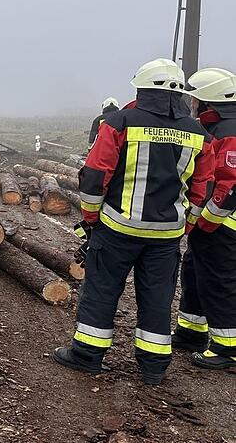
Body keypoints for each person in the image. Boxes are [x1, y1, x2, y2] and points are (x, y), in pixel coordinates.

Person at [53, 58, 214, 385]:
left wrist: (91, 218)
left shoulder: (120, 121)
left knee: (101, 290)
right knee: (157, 297)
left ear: (141, 88)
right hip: (167, 235)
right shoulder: (198, 132)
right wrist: (186, 225)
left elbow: (95, 176)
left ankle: (87, 355)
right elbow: (203, 186)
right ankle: (153, 366)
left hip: (117, 229)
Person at [172, 68, 236, 369]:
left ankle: (227, 348)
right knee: (195, 272)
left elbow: (230, 185)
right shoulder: (217, 128)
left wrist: (207, 220)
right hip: (210, 224)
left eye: (196, 99)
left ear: (210, 102)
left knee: (219, 282)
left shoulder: (229, 132)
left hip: (223, 225)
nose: (193, 105)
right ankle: (191, 331)